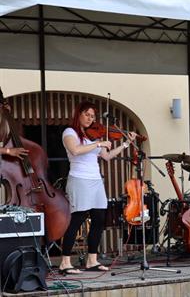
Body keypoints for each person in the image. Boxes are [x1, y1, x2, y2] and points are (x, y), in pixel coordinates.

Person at [59, 101, 136, 274]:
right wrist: (98, 144)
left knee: (99, 219)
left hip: (95, 180)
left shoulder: (93, 135)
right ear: (78, 114)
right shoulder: (70, 132)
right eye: (87, 114)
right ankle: (65, 262)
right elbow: (75, 150)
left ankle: (92, 260)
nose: (90, 118)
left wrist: (126, 144)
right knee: (77, 219)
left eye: (93, 116)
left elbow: (107, 156)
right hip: (79, 179)